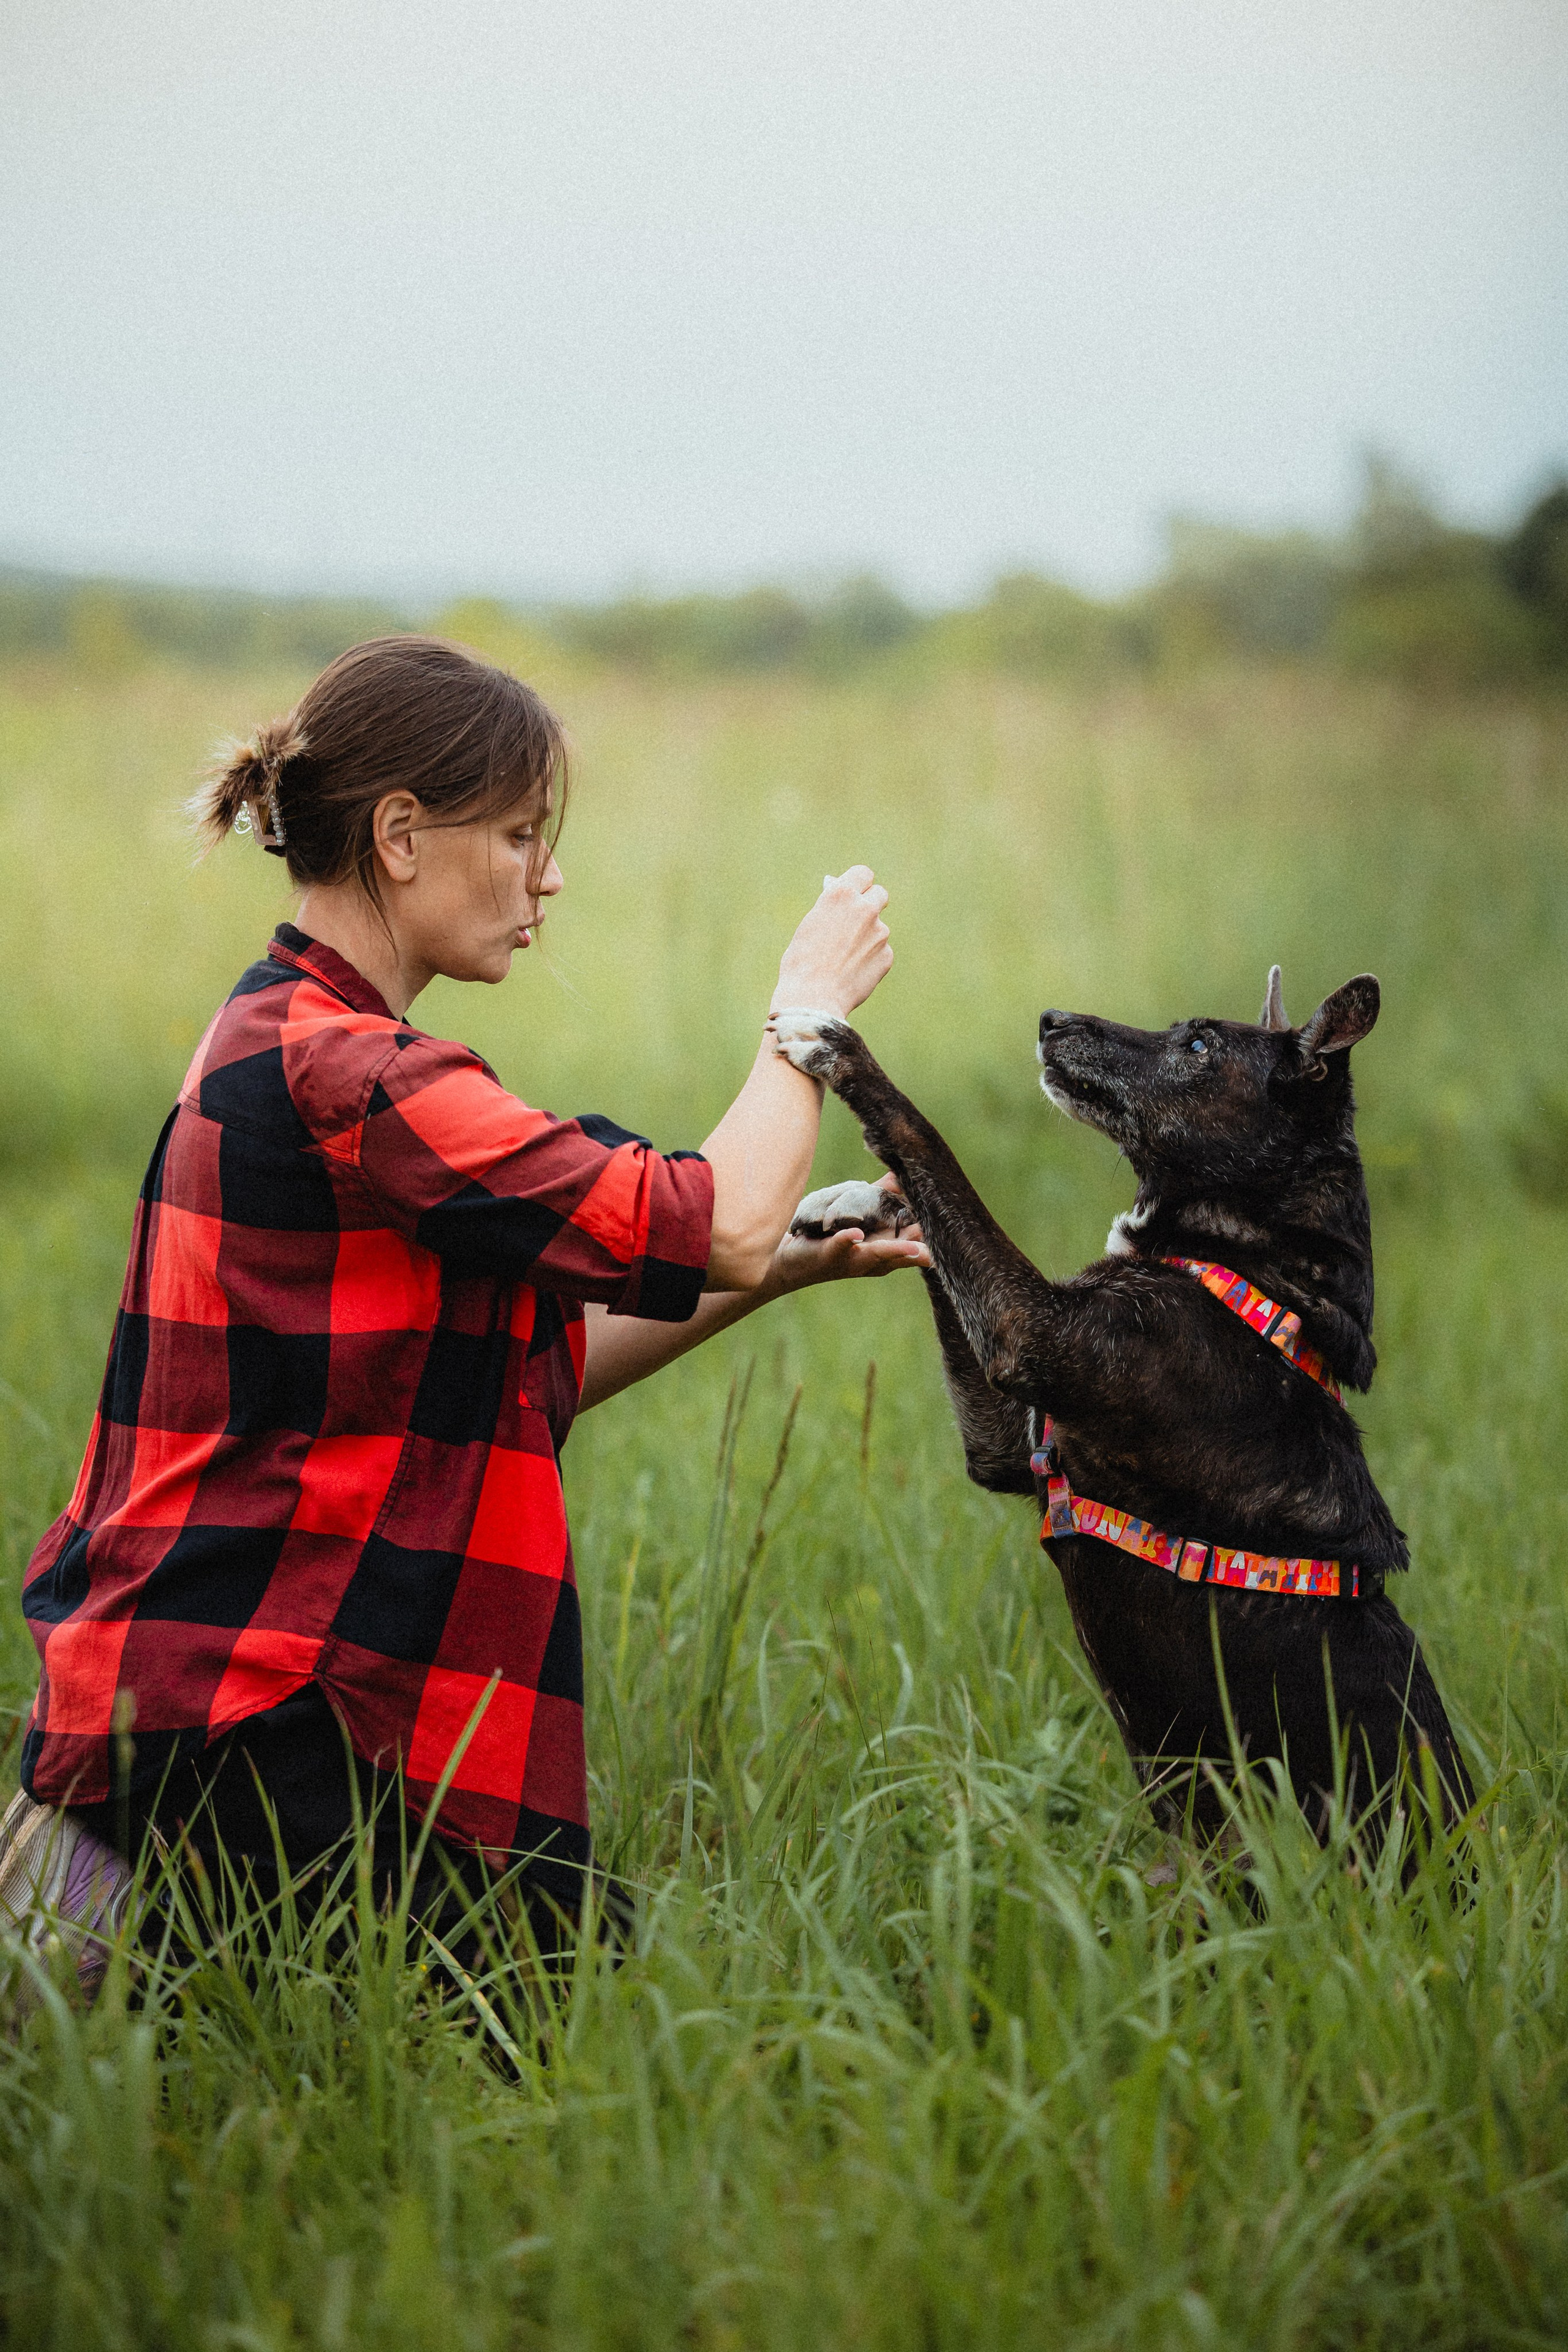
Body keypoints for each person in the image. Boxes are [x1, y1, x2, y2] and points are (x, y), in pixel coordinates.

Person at [1, 635, 927, 1989]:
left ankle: (101, 1918)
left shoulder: (292, 1041)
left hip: (259, 1697)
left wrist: (782, 1260)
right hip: (268, 1710)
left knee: (555, 1999)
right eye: (516, 834)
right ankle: (99, 1916)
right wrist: (806, 1015)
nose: (544, 876)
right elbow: (714, 1216)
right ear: (397, 836)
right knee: (545, 2024)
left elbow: (530, 1376)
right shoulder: (346, 1076)